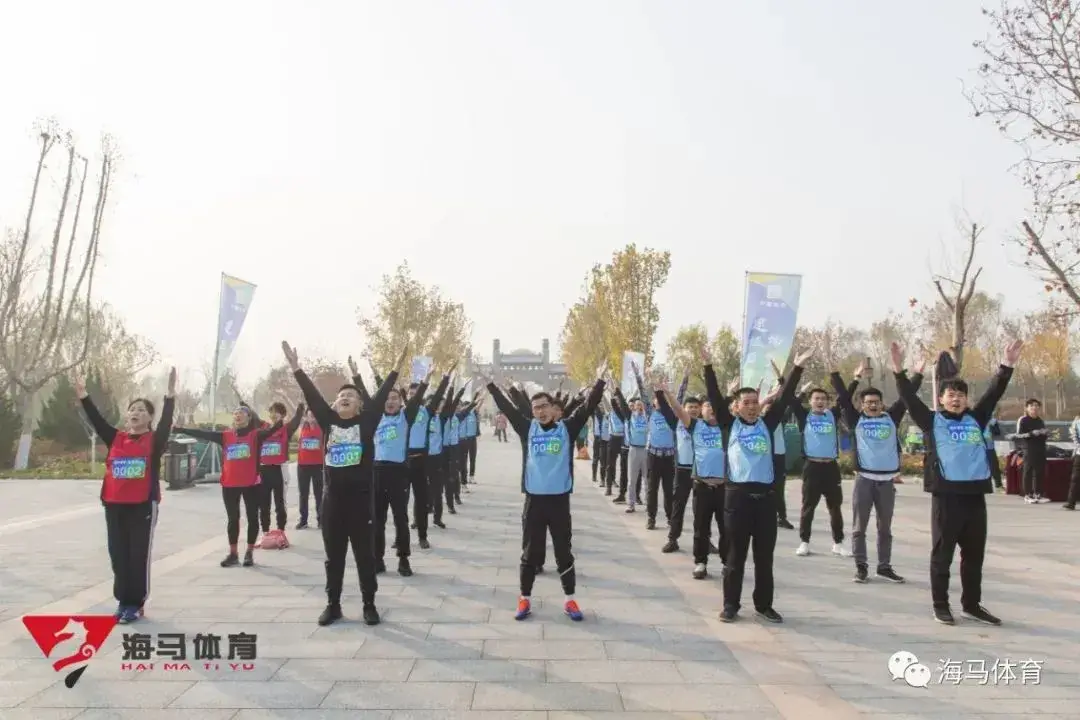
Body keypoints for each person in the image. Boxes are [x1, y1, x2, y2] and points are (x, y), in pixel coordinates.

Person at [890, 339, 1022, 626]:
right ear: (941, 399)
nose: (956, 398)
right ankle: (940, 605)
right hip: (946, 498)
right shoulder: (931, 421)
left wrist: (1007, 365)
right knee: (943, 556)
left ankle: (971, 605)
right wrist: (899, 370)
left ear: (967, 400)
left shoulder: (976, 418)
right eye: (951, 394)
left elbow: (994, 392)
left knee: (974, 557)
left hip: (975, 498)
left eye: (961, 394)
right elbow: (908, 398)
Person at [284, 341, 403, 626]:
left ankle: (369, 604)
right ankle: (333, 604)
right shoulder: (329, 421)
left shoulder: (367, 421)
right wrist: (296, 368)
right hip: (332, 503)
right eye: (342, 396)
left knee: (365, 557)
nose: (346, 398)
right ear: (335, 404)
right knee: (333, 557)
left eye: (351, 395)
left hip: (361, 503)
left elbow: (383, 394)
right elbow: (312, 396)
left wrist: (396, 369)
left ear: (360, 404)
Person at [486, 361, 607, 621]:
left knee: (564, 552)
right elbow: (507, 407)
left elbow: (587, 407)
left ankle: (570, 600)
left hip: (559, 502)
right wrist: (491, 386)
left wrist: (599, 382)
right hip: (534, 502)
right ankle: (524, 599)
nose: (540, 411)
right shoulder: (527, 428)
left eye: (544, 406)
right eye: (536, 408)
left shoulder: (567, 429)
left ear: (554, 409)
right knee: (530, 553)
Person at [77, 368, 176, 623]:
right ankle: (122, 600)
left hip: (142, 505)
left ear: (149, 418)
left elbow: (166, 424)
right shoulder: (116, 438)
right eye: (133, 409)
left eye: (142, 410)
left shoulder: (154, 440)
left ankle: (136, 602)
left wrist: (170, 397)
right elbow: (97, 421)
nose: (136, 412)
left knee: (137, 555)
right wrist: (84, 396)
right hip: (114, 505)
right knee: (118, 555)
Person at [719, 348, 810, 623]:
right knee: (735, 557)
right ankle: (730, 604)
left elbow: (783, 398)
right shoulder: (730, 426)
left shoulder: (767, 424)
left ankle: (763, 605)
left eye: (754, 402)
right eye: (745, 402)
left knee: (764, 558)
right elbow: (714, 396)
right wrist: (709, 366)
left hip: (766, 500)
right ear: (736, 406)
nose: (751, 406)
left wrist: (796, 368)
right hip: (737, 500)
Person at [831, 360, 924, 584]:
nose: (873, 405)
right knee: (859, 527)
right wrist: (840, 375)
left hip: (886, 482)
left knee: (885, 528)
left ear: (882, 404)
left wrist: (918, 375)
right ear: (862, 405)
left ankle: (884, 567)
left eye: (876, 402)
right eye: (868, 402)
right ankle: (861, 567)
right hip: (864, 480)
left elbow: (907, 396)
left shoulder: (891, 417)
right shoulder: (856, 420)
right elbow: (843, 397)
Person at [177, 404, 282, 569]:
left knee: (252, 518)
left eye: (242, 413)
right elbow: (203, 433)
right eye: (236, 413)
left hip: (251, 484)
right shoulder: (226, 436)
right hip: (230, 484)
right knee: (233, 519)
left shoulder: (255, 435)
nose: (238, 415)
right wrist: (180, 429)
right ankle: (233, 554)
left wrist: (279, 420)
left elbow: (272, 430)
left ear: (249, 418)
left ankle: (249, 552)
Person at [654, 361, 729, 579]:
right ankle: (699, 561)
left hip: (723, 486)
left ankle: (727, 562)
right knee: (698, 523)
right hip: (698, 481)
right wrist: (666, 392)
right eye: (706, 407)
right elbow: (676, 409)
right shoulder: (694, 426)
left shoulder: (727, 427)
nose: (710, 409)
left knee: (726, 527)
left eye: (713, 407)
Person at [404, 369, 451, 549]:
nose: (413, 396)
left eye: (416, 394)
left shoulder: (427, 411)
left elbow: (439, 395)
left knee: (421, 499)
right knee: (400, 502)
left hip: (421, 460)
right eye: (410, 394)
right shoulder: (402, 412)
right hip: (403, 461)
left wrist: (445, 378)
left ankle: (422, 536)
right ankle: (400, 537)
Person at [632, 362, 679, 531]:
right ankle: (651, 518)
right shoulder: (650, 413)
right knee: (652, 489)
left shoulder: (672, 414)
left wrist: (686, 378)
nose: (659, 401)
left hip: (669, 456)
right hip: (653, 456)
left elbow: (680, 394)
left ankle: (669, 518)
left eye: (662, 399)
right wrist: (640, 375)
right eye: (657, 399)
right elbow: (643, 392)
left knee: (668, 490)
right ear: (653, 403)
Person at [256, 400, 304, 547]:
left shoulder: (286, 429)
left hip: (279, 469)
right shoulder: (263, 427)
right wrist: (244, 405)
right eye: (271, 412)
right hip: (264, 469)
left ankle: (281, 531)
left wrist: (300, 407)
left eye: (277, 412)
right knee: (264, 503)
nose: (273, 415)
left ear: (282, 415)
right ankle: (265, 533)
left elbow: (296, 420)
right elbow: (253, 417)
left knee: (280, 502)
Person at [663, 374, 697, 553]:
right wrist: (664, 391)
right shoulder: (676, 422)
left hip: (700, 473)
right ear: (684, 409)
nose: (693, 410)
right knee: (678, 506)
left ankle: (705, 540)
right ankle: (673, 539)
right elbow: (673, 404)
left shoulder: (703, 425)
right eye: (690, 407)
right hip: (682, 470)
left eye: (696, 407)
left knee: (702, 510)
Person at [1015, 399, 1049, 504]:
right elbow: (1019, 435)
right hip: (1029, 448)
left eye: (1036, 406)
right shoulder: (1023, 420)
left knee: (1039, 472)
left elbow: (1044, 436)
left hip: (1040, 448)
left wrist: (1044, 433)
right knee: (1028, 471)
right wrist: (1032, 433)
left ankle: (1038, 494)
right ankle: (1027, 494)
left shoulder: (1040, 420)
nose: (1034, 408)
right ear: (1027, 408)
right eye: (1032, 406)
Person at [295, 409, 324, 529]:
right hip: (303, 465)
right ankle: (303, 520)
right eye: (309, 415)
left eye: (314, 415)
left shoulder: (322, 427)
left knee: (319, 494)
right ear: (306, 417)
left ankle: (321, 520)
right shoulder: (301, 428)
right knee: (303, 494)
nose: (312, 418)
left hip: (318, 465)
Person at [623, 396, 649, 513]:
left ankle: (649, 503)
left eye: (641, 405)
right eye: (637, 405)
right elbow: (623, 405)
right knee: (632, 480)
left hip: (645, 450)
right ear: (633, 407)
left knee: (646, 479)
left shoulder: (647, 418)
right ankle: (631, 504)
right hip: (633, 449)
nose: (639, 407)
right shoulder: (631, 417)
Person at [984, 411, 1003, 491]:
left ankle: (998, 485)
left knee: (994, 465)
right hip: (978, 447)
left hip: (989, 446)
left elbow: (997, 433)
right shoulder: (975, 420)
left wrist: (992, 426)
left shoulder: (992, 421)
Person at [1066, 412, 1080, 510]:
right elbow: (1074, 438)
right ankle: (1071, 502)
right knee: (1075, 478)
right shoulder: (1077, 423)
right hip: (1079, 453)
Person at [590, 407, 608, 484]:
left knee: (603, 459)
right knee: (595, 458)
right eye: (600, 407)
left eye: (602, 407)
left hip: (603, 439)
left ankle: (602, 478)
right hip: (596, 438)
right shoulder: (594, 415)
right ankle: (594, 475)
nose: (601, 409)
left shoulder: (605, 417)